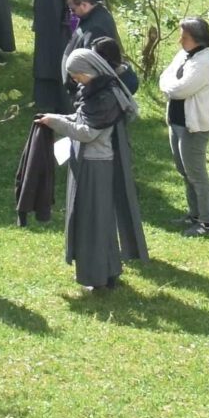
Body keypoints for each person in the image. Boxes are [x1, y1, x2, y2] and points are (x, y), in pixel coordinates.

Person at [37, 48, 148, 291]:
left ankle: (97, 276)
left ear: (90, 71)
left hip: (96, 164)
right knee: (99, 220)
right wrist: (53, 117)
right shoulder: (96, 91)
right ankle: (108, 272)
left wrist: (55, 123)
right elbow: (80, 118)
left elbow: (87, 132)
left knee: (92, 221)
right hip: (89, 162)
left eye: (78, 76)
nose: (76, 81)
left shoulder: (105, 98)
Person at [159, 15, 209, 235]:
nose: (180, 40)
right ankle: (194, 215)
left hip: (194, 126)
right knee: (183, 170)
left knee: (196, 174)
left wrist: (169, 86)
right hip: (176, 121)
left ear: (197, 39)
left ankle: (206, 223)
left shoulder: (205, 62)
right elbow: (164, 78)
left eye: (184, 37)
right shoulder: (184, 55)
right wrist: (169, 85)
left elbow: (179, 89)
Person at [64, 0, 120, 66]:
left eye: (73, 9)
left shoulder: (95, 28)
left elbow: (90, 65)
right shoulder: (94, 15)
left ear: (84, 5)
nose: (72, 13)